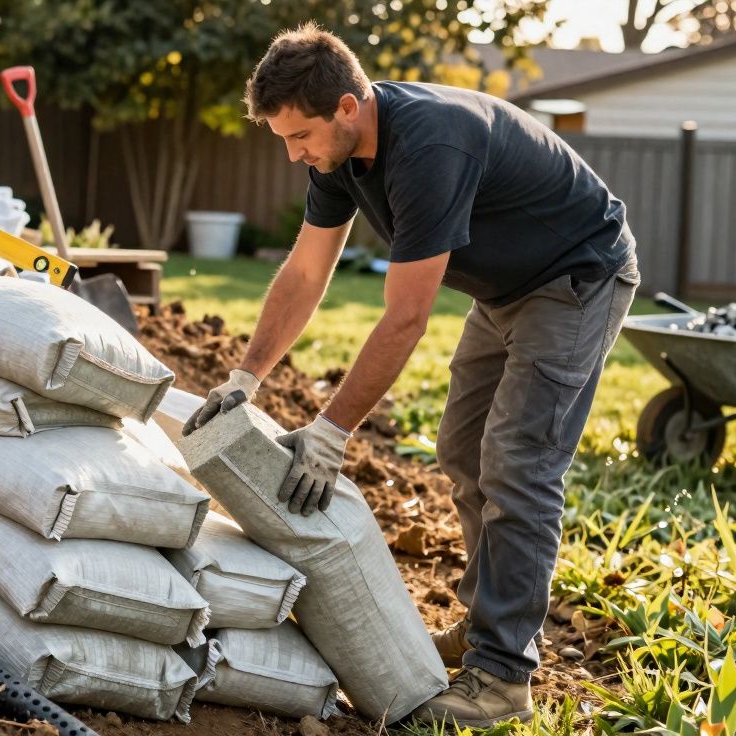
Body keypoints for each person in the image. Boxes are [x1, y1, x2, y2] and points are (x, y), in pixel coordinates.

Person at [182, 23, 640, 727]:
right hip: (509, 286)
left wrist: (332, 432)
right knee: (461, 450)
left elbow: (404, 319)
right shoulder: (336, 159)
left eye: (299, 135)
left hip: (577, 274)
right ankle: (491, 624)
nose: (294, 153)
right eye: (283, 140)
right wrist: (246, 377)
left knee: (518, 462)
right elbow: (306, 272)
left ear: (346, 106)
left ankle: (502, 674)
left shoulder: (429, 146)